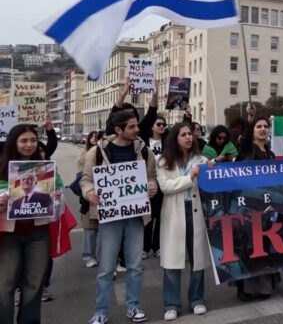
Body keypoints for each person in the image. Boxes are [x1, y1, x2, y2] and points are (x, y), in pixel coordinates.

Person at [81, 110, 159, 324]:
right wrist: (89, 192)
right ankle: (101, 311)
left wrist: (152, 187)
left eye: (136, 126)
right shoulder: (97, 152)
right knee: (106, 268)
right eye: (132, 126)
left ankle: (133, 306)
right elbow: (86, 180)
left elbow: (151, 177)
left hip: (135, 218)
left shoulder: (144, 151)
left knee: (134, 266)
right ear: (118, 129)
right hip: (109, 218)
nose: (137, 130)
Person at [0, 125, 64, 324]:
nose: (29, 145)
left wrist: (56, 199)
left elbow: (59, 209)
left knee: (34, 285)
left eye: (33, 140)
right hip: (8, 235)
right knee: (5, 285)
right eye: (24, 141)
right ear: (14, 142)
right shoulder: (2, 167)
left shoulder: (46, 168)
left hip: (38, 234)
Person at [156, 123, 212, 321]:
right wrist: (190, 177)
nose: (189, 137)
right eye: (183, 134)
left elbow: (210, 183)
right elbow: (166, 187)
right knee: (172, 261)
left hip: (196, 212)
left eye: (190, 134)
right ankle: (171, 304)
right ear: (175, 138)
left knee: (197, 259)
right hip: (174, 214)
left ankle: (197, 300)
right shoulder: (164, 161)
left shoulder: (202, 159)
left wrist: (212, 169)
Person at [234, 117, 281, 300]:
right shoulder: (248, 149)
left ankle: (264, 287)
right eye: (258, 127)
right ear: (252, 131)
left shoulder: (270, 152)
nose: (262, 129)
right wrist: (249, 121)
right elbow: (244, 141)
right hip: (250, 205)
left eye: (265, 126)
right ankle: (245, 288)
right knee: (251, 247)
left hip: (267, 204)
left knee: (264, 246)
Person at [143, 116, 168, 260]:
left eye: (164, 124)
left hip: (163, 181)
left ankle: (157, 246)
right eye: (158, 124)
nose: (161, 127)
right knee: (148, 217)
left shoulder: (168, 142)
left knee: (160, 216)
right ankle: (145, 248)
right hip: (149, 182)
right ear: (152, 126)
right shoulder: (145, 142)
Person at [79, 131, 101, 268]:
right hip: (89, 197)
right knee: (90, 228)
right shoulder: (87, 154)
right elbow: (84, 175)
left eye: (96, 137)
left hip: (105, 195)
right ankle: (89, 255)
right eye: (92, 137)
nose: (94, 139)